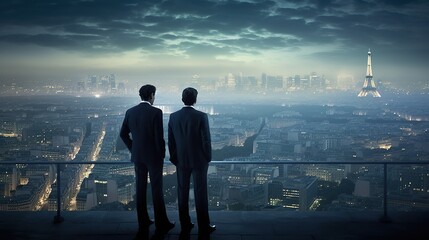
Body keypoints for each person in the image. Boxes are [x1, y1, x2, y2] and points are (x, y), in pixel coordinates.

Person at [120, 84, 174, 234]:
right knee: (157, 190)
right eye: (154, 95)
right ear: (151, 95)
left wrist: (133, 148)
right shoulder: (156, 112)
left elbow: (123, 134)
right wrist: (162, 154)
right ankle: (162, 222)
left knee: (140, 189)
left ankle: (143, 220)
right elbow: (159, 137)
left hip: (138, 156)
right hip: (154, 157)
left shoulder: (130, 112)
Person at [168, 87, 216, 234]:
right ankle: (204, 225)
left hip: (181, 160)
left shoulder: (173, 116)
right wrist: (208, 157)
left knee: (182, 191)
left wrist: (174, 158)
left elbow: (171, 142)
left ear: (182, 99)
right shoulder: (201, 116)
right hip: (199, 160)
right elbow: (206, 140)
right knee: (200, 192)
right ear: (195, 99)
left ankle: (185, 223)